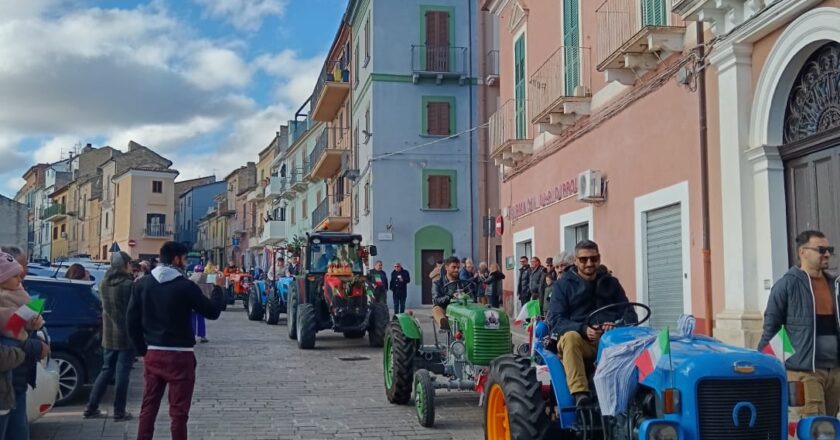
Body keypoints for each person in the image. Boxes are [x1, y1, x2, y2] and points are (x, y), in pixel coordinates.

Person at [127, 242, 226, 440]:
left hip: (153, 353)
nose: (186, 263)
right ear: (176, 259)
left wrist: (142, 350)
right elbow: (212, 312)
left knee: (148, 407)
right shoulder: (186, 286)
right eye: (185, 258)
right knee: (179, 413)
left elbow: (131, 320)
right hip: (181, 355)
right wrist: (218, 289)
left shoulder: (142, 284)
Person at [758, 230, 840, 418]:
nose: (827, 254)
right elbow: (771, 328)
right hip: (805, 371)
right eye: (821, 249)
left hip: (835, 370)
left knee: (830, 424)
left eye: (829, 249)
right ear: (803, 252)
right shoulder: (787, 285)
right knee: (813, 425)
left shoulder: (834, 284)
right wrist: (767, 365)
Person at [547, 240, 634, 407]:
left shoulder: (611, 283)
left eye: (593, 259)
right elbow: (556, 320)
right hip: (582, 342)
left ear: (599, 259)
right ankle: (580, 394)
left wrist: (616, 324)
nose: (589, 263)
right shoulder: (563, 286)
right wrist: (583, 329)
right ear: (575, 261)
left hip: (611, 343)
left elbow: (629, 312)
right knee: (571, 338)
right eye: (584, 259)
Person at [0, 248, 49, 439]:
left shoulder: (18, 291)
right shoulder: (4, 298)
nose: (23, 274)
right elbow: (11, 334)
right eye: (19, 272)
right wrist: (34, 347)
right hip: (7, 385)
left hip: (15, 385)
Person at [83, 251, 135, 421]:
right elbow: (133, 310)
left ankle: (91, 407)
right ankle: (119, 411)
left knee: (105, 371)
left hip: (109, 334)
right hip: (126, 335)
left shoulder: (104, 282)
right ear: (125, 265)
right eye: (130, 264)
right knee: (122, 374)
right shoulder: (128, 285)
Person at [432, 256, 473, 329]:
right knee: (436, 308)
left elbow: (472, 298)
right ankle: (444, 323)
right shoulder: (438, 283)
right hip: (445, 309)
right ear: (446, 267)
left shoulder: (464, 283)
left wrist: (465, 296)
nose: (456, 270)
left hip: (461, 310)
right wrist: (450, 296)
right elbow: (436, 300)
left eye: (458, 267)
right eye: (453, 267)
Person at [188, 266, 210, 344]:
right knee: (201, 320)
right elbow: (209, 290)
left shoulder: (190, 279)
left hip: (192, 302)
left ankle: (192, 336)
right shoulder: (206, 278)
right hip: (202, 302)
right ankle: (202, 336)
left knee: (192, 320)